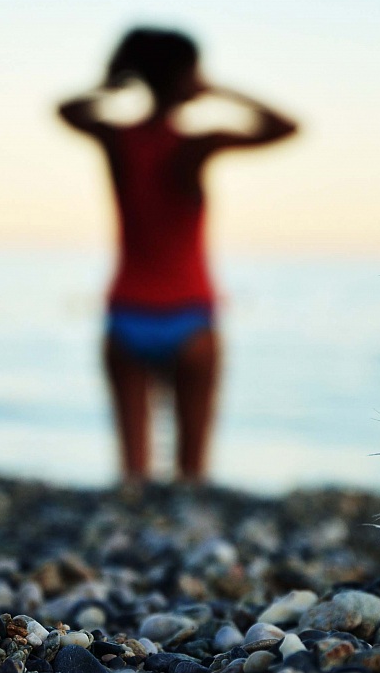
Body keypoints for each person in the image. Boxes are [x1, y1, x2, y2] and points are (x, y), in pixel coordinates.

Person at [59, 27, 297, 486]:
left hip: (126, 313)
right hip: (190, 317)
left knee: (133, 476)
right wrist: (221, 91)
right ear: (186, 78)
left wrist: (111, 85)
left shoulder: (118, 140)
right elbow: (284, 127)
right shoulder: (194, 146)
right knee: (193, 477)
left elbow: (66, 110)